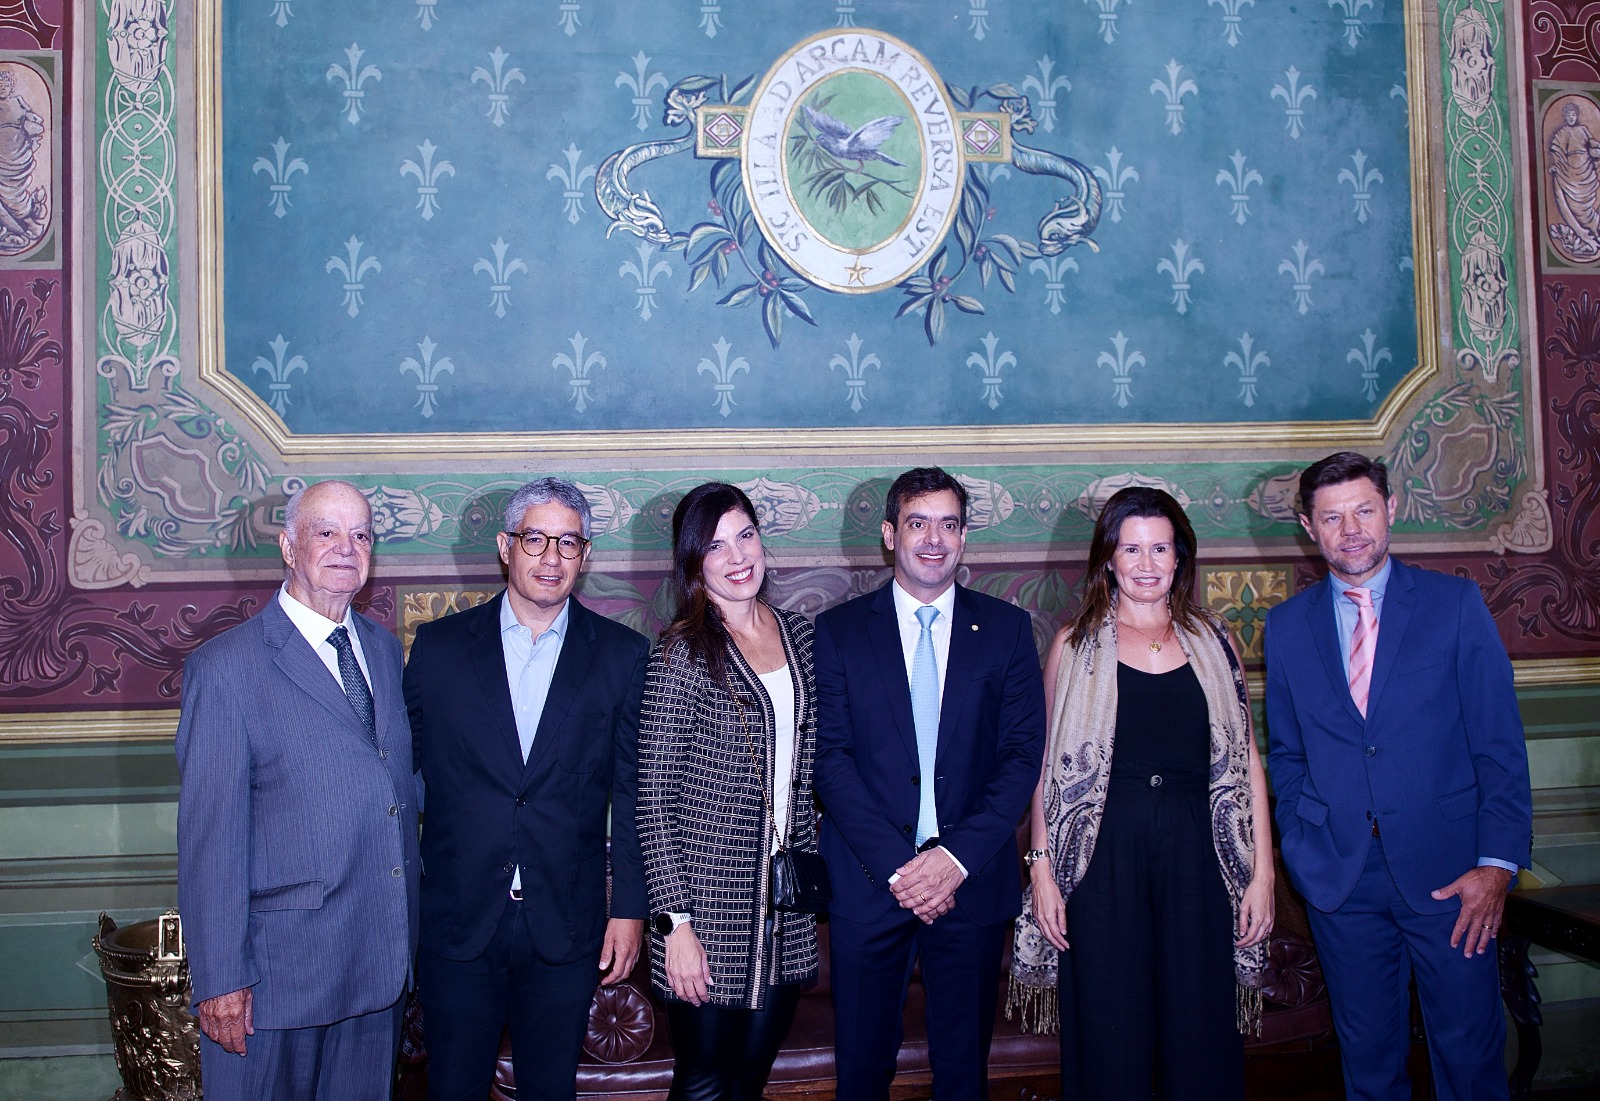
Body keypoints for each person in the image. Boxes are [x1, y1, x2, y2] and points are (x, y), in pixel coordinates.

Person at [1265, 452, 1532, 1101]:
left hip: (1453, 877)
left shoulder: (1454, 604)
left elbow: (1499, 746)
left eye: (1363, 510)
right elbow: (1288, 753)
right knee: (1369, 1065)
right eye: (1332, 516)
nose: (1350, 528)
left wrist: (1496, 865)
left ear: (1392, 508)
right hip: (1341, 880)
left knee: (1469, 1058)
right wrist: (1305, 853)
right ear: (1309, 526)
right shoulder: (1287, 625)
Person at [1008, 487, 1273, 1100]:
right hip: (1101, 854)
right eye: (1132, 549)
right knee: (1109, 1032)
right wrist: (1042, 870)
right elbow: (1046, 771)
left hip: (1200, 854)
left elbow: (1247, 759)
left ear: (1180, 558)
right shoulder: (1072, 646)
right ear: (1109, 558)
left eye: (1160, 548)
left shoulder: (1216, 642)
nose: (1147, 563)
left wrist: (1261, 873)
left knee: (1200, 1029)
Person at [405, 477, 649, 1101]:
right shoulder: (439, 651)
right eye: (536, 538)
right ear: (504, 547)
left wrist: (627, 912)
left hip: (566, 925)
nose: (552, 557)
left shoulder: (622, 657)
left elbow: (633, 795)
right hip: (459, 920)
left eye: (569, 543)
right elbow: (397, 788)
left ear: (585, 556)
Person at [175, 479, 419, 1100]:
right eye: (326, 532)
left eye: (361, 534)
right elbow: (212, 837)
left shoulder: (385, 653)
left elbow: (391, 787)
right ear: (288, 546)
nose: (346, 548)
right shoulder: (226, 668)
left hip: (375, 964)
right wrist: (221, 978)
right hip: (273, 981)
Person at [813, 466, 1046, 1101]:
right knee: (861, 1075)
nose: (933, 539)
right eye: (918, 523)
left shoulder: (1005, 629)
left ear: (965, 536)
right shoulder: (837, 632)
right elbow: (829, 761)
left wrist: (952, 860)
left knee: (963, 1072)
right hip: (869, 884)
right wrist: (903, 870)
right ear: (890, 534)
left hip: (969, 886)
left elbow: (1022, 758)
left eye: (949, 524)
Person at [636, 482, 820, 1101]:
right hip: (704, 914)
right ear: (693, 562)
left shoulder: (802, 639)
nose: (737, 556)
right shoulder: (681, 653)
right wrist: (674, 926)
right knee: (704, 1084)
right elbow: (653, 801)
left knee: (749, 1083)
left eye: (745, 535)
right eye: (715, 546)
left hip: (784, 908)